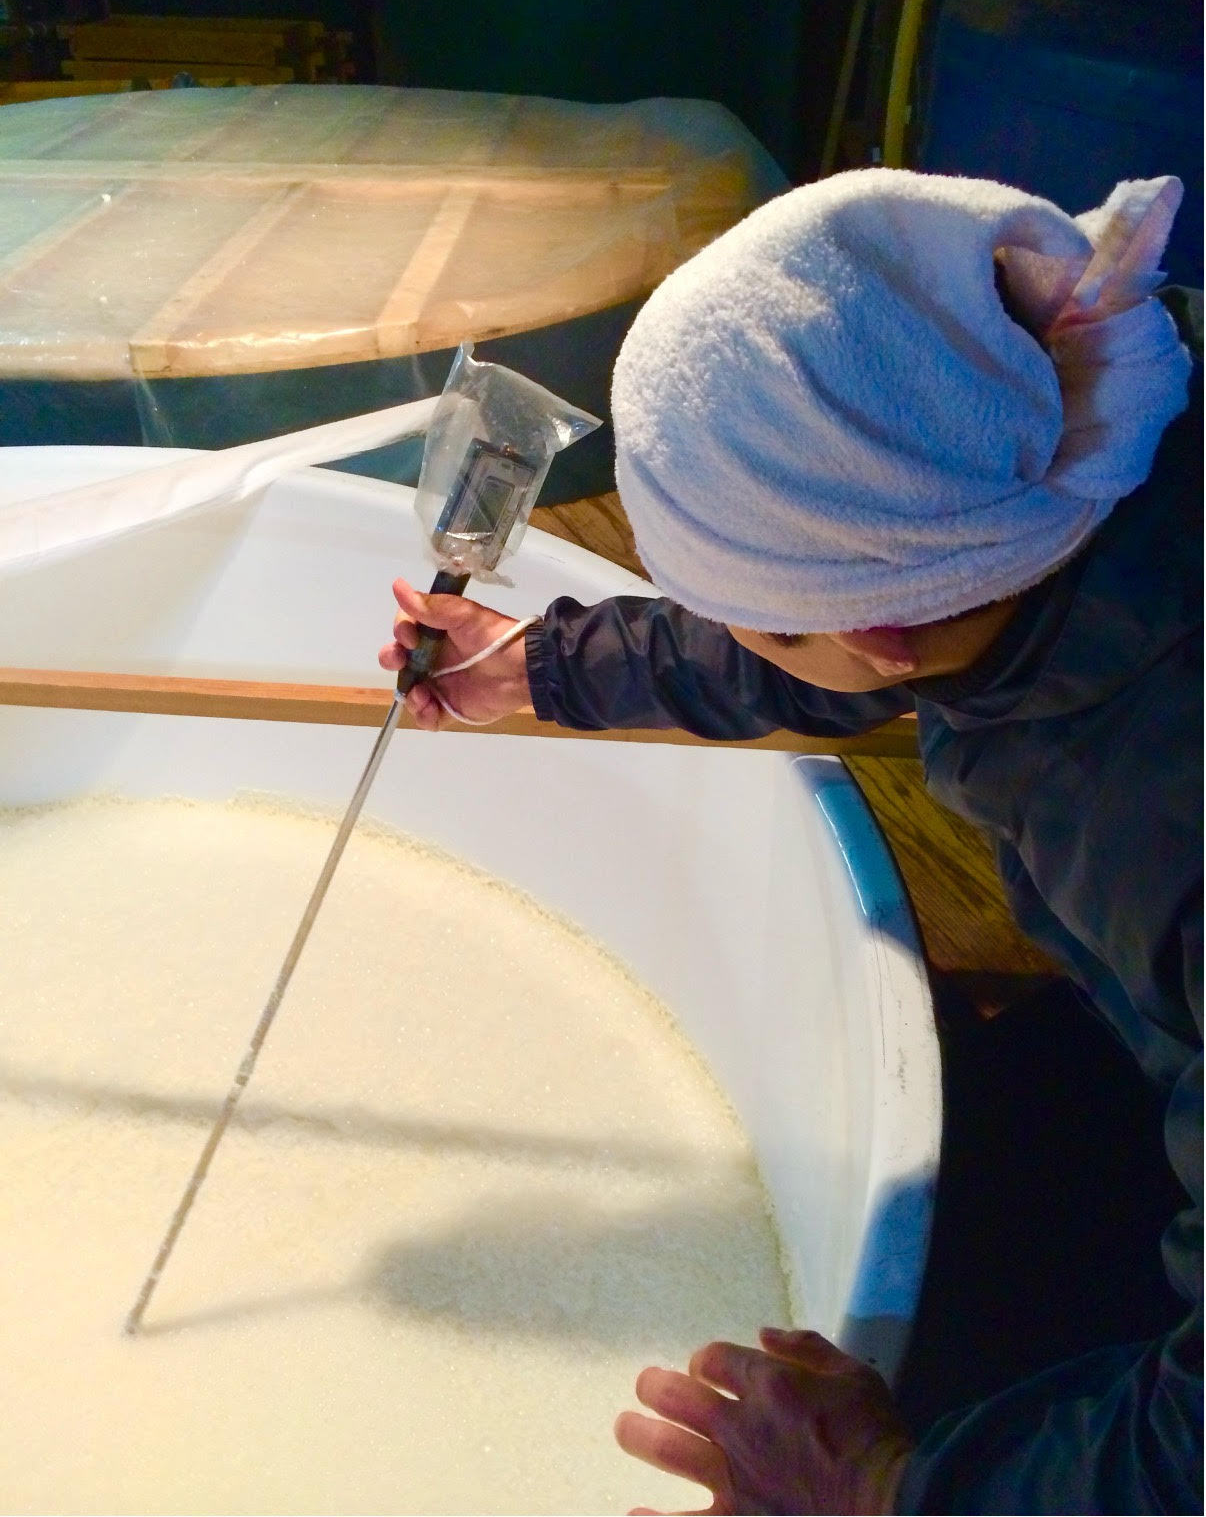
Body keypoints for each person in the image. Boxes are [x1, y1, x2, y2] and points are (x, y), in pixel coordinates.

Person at [379, 169, 1202, 1515]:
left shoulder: (1162, 828)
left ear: (883, 629)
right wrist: (551, 666)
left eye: (742, 611)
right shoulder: (1069, 417)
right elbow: (851, 612)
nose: (731, 629)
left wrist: (888, 1488)